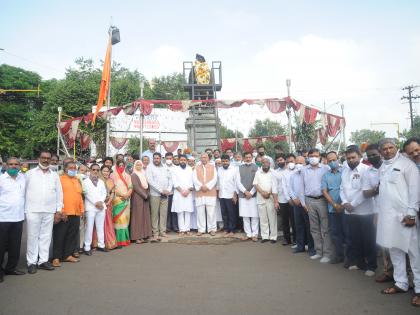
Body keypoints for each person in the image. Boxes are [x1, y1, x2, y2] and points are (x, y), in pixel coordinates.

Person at [377, 139, 420, 308]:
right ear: (381, 151)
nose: (387, 151)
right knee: (395, 249)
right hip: (388, 218)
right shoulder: (382, 166)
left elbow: (414, 190)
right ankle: (401, 283)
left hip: (405, 217)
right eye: (384, 148)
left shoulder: (406, 164)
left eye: (391, 147)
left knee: (414, 253)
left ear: (396, 148)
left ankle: (419, 289)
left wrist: (411, 214)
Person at [340, 146, 377, 276]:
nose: (350, 160)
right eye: (348, 158)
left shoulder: (366, 170)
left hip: (365, 211)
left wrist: (353, 204)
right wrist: (344, 202)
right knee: (355, 238)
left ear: (360, 157)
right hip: (350, 212)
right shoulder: (344, 171)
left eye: (353, 157)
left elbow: (365, 191)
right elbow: (341, 188)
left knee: (368, 239)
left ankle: (371, 265)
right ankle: (359, 262)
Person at [25, 151, 63, 274]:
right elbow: (22, 192)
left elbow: (59, 193)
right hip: (33, 209)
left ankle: (43, 261)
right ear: (38, 158)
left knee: (46, 236)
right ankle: (31, 262)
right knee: (32, 236)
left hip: (49, 210)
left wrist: (58, 210)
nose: (46, 160)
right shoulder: (29, 174)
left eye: (48, 158)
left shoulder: (54, 175)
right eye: (43, 158)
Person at [363, 144, 391, 282]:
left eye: (374, 154)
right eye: (369, 156)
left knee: (400, 245)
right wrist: (377, 189)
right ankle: (387, 272)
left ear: (380, 153)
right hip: (379, 212)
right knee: (384, 244)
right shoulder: (368, 172)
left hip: (396, 211)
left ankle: (406, 276)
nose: (372, 157)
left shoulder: (390, 166)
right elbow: (366, 193)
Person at [302, 148, 333, 263]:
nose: (314, 157)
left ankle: (327, 253)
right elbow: (301, 187)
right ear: (308, 157)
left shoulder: (326, 168)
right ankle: (318, 251)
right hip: (309, 200)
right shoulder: (304, 170)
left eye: (316, 155)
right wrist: (303, 202)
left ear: (320, 157)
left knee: (325, 227)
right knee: (314, 228)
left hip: (322, 200)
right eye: (311, 156)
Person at [52, 161, 84, 266]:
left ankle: (67, 255)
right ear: (65, 169)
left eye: (74, 168)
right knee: (59, 235)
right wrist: (60, 210)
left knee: (71, 235)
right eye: (70, 168)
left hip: (76, 213)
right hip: (63, 212)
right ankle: (56, 257)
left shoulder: (77, 180)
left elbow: (79, 197)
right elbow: (56, 196)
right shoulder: (59, 179)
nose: (73, 169)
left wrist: (82, 210)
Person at [0, 157, 26, 283]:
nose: (13, 166)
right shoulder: (1, 179)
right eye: (11, 164)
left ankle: (11, 268)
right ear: (6, 165)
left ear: (19, 166)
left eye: (16, 164)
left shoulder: (23, 178)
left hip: (18, 217)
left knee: (15, 245)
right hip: (3, 218)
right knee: (1, 245)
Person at [321, 151, 349, 265]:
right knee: (335, 233)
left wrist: (342, 204)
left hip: (346, 207)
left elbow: (349, 188)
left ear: (338, 159)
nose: (332, 162)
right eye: (330, 161)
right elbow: (324, 191)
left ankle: (349, 257)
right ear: (327, 162)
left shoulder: (345, 172)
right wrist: (334, 204)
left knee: (347, 233)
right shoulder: (325, 175)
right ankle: (339, 255)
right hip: (332, 208)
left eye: (334, 159)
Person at [289, 156, 315, 256]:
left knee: (309, 226)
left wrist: (303, 200)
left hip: (306, 203)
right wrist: (294, 198)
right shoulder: (293, 175)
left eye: (301, 163)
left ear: (306, 163)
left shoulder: (308, 174)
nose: (299, 165)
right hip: (296, 204)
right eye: (297, 163)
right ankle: (300, 246)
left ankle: (311, 248)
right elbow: (290, 188)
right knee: (298, 225)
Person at [146, 153, 172, 241]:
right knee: (155, 214)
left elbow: (170, 179)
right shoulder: (150, 167)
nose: (156, 160)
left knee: (163, 214)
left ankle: (162, 231)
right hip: (155, 194)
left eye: (158, 158)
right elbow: (150, 181)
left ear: (161, 158)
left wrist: (168, 189)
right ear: (153, 159)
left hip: (165, 194)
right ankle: (155, 233)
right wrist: (161, 190)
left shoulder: (165, 167)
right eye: (155, 158)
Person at [83, 164, 108, 256]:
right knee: (89, 227)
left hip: (101, 207)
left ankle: (101, 245)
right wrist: (95, 203)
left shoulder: (101, 181)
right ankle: (87, 247)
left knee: (100, 226)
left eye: (97, 170)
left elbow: (104, 192)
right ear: (90, 170)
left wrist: (101, 202)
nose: (95, 171)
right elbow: (86, 194)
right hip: (91, 207)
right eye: (93, 169)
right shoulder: (85, 181)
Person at [193, 153, 218, 236]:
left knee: (211, 212)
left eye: (205, 157)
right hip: (200, 192)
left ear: (208, 158)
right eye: (202, 157)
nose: (203, 159)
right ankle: (201, 229)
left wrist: (207, 186)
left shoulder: (213, 167)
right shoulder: (196, 168)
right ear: (200, 158)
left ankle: (212, 229)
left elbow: (215, 178)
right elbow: (194, 179)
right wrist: (201, 186)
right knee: (200, 212)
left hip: (210, 192)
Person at [236, 152, 259, 242]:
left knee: (254, 215)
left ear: (252, 158)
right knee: (245, 215)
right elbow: (238, 182)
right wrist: (245, 192)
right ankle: (248, 234)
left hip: (253, 195)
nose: (248, 159)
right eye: (246, 157)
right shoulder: (239, 168)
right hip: (243, 195)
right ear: (244, 158)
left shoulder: (256, 167)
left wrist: (251, 192)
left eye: (249, 157)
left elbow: (257, 181)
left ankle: (255, 234)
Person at [254, 157, 277, 243]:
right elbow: (255, 184)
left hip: (271, 198)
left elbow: (275, 184)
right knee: (263, 219)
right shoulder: (258, 172)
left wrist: (269, 192)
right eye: (263, 163)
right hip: (261, 198)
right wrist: (263, 193)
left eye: (266, 162)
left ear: (269, 163)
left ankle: (273, 237)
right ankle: (265, 236)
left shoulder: (273, 172)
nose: (265, 164)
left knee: (272, 218)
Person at [110, 160, 133, 247]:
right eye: (119, 165)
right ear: (116, 166)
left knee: (125, 220)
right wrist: (122, 195)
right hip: (117, 200)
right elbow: (112, 188)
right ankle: (117, 240)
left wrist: (127, 195)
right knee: (119, 219)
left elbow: (131, 187)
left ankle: (125, 239)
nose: (121, 167)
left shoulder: (128, 176)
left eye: (123, 165)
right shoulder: (112, 176)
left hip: (126, 200)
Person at [273, 153, 293, 246]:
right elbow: (274, 187)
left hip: (293, 199)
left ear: (285, 160)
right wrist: (276, 201)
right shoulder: (275, 172)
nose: (279, 162)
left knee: (294, 220)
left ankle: (296, 239)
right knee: (284, 221)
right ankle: (287, 239)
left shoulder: (291, 169)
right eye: (277, 161)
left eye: (281, 160)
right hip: (282, 199)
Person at [171, 155, 195, 235]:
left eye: (184, 160)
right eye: (181, 160)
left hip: (188, 193)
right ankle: (181, 229)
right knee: (180, 212)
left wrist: (188, 191)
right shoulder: (174, 169)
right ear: (179, 160)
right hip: (179, 193)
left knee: (188, 211)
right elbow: (174, 182)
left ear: (186, 161)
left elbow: (192, 182)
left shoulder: (190, 169)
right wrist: (181, 191)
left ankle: (187, 229)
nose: (183, 161)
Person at [130, 160, 152, 243]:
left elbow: (147, 185)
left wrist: (148, 193)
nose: (139, 166)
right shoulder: (133, 175)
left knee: (144, 216)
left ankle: (143, 235)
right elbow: (136, 186)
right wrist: (144, 195)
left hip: (145, 197)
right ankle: (137, 237)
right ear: (135, 166)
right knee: (138, 216)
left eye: (140, 165)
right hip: (138, 197)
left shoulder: (143, 174)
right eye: (137, 165)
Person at [218, 154, 238, 236]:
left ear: (229, 161)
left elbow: (237, 183)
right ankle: (226, 228)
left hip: (230, 195)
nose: (225, 162)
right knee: (224, 213)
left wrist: (235, 195)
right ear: (221, 162)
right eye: (223, 161)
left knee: (231, 213)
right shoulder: (219, 169)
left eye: (226, 161)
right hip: (222, 194)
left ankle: (232, 230)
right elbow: (218, 182)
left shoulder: (234, 169)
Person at [99, 166, 118, 250]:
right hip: (99, 204)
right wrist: (103, 202)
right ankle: (99, 243)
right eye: (104, 171)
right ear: (101, 171)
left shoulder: (111, 181)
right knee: (100, 223)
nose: (106, 173)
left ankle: (110, 242)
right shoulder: (98, 181)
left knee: (108, 222)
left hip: (108, 204)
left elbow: (113, 192)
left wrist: (109, 202)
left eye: (107, 171)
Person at [165, 152, 179, 233]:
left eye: (170, 158)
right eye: (167, 158)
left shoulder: (176, 168)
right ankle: (167, 227)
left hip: (175, 192)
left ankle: (175, 226)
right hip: (166, 192)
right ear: (165, 159)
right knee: (167, 210)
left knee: (174, 210)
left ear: (173, 159)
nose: (169, 160)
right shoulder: (162, 167)